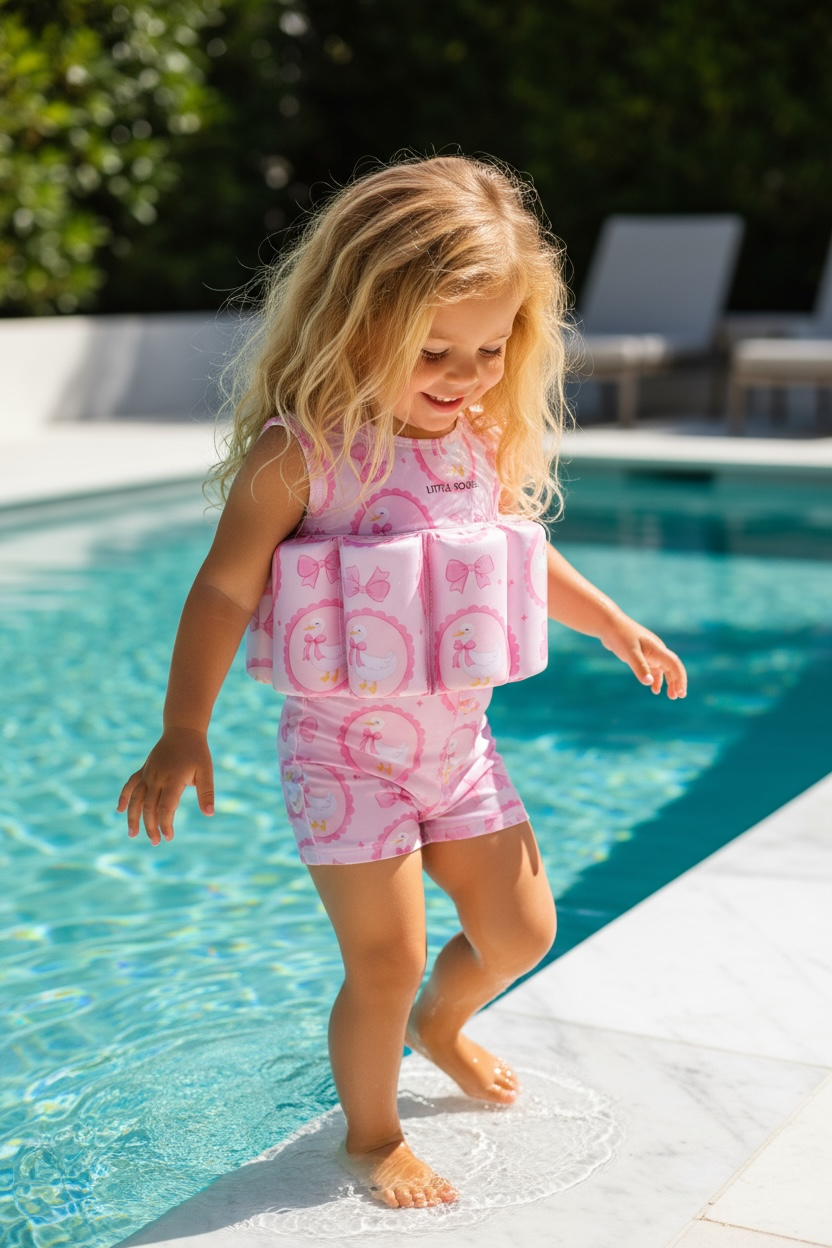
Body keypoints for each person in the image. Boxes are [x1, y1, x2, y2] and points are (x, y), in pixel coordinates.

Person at [117, 155, 687, 1211]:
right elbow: (224, 591)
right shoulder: (301, 457)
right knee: (385, 959)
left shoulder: (476, 439)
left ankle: (443, 1023)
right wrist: (182, 727)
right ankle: (373, 1136)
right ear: (356, 321)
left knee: (521, 933)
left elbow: (517, 553)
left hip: (457, 753)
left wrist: (614, 623)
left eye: (489, 349)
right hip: (344, 759)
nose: (464, 374)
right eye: (433, 350)